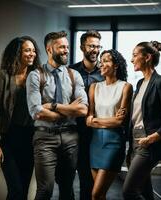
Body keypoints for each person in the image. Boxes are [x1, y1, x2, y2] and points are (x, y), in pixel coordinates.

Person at [26, 31, 88, 200]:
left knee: (68, 189)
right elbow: (36, 111)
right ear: (49, 49)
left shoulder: (74, 75)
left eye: (67, 47)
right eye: (61, 47)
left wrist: (53, 106)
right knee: (45, 190)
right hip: (45, 138)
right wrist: (68, 110)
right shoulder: (35, 75)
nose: (66, 50)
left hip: (70, 138)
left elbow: (83, 110)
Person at [123, 41, 161, 200]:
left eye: (135, 55)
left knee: (129, 192)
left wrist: (151, 138)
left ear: (147, 57)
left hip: (149, 144)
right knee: (145, 191)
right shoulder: (140, 83)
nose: (131, 60)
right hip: (135, 141)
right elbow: (140, 114)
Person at [0, 36, 41, 200]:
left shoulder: (36, 76)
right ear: (17, 53)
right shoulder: (3, 75)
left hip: (30, 138)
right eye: (27, 50)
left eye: (33, 50)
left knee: (24, 190)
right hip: (9, 138)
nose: (32, 54)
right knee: (15, 189)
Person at [86, 49, 133, 200]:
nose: (101, 63)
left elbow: (119, 121)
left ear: (116, 65)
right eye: (101, 60)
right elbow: (89, 119)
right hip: (96, 143)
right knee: (101, 195)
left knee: (95, 194)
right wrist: (107, 121)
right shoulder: (94, 87)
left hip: (114, 143)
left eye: (106, 60)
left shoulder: (125, 87)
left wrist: (96, 121)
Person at [69, 30, 104, 200]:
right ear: (82, 47)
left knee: (95, 182)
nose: (95, 50)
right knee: (76, 177)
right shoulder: (71, 71)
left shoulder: (106, 72)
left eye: (97, 46)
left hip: (98, 132)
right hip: (75, 131)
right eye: (91, 46)